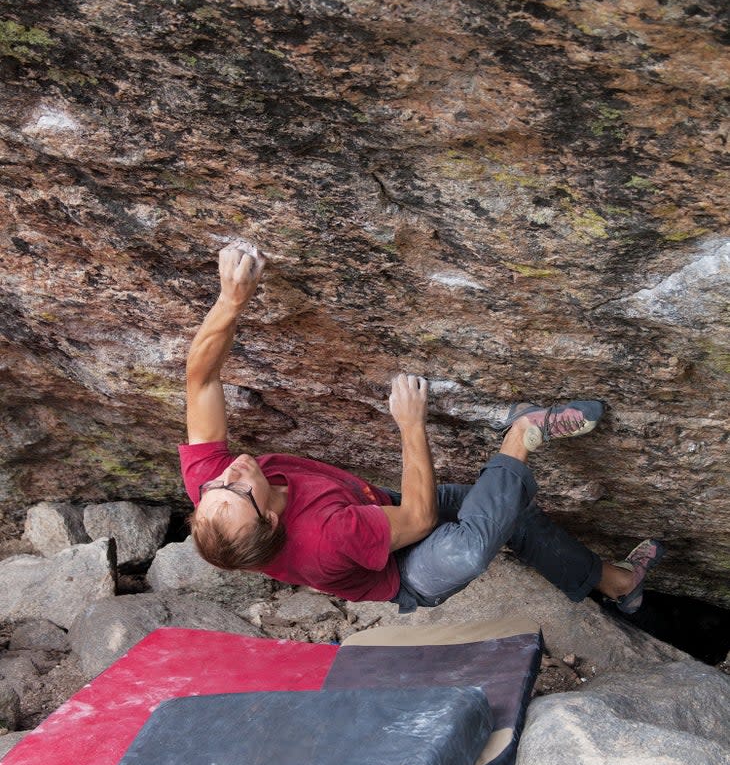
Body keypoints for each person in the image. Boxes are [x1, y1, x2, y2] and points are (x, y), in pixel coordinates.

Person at [180, 242, 663, 614]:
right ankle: (523, 432)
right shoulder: (328, 538)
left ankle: (621, 586)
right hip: (404, 570)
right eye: (238, 490)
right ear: (269, 519)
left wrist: (230, 301)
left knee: (508, 511)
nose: (231, 473)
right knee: (471, 547)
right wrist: (411, 425)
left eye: (215, 486)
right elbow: (419, 521)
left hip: (377, 508)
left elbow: (201, 380)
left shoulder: (216, 491)